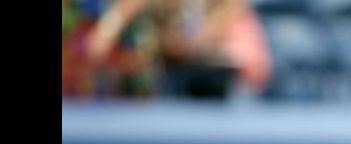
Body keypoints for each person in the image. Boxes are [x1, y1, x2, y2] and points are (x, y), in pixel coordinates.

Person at [86, 0, 272, 98]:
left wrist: (198, 40)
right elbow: (124, 9)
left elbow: (231, 9)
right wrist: (107, 31)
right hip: (162, 56)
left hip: (210, 59)